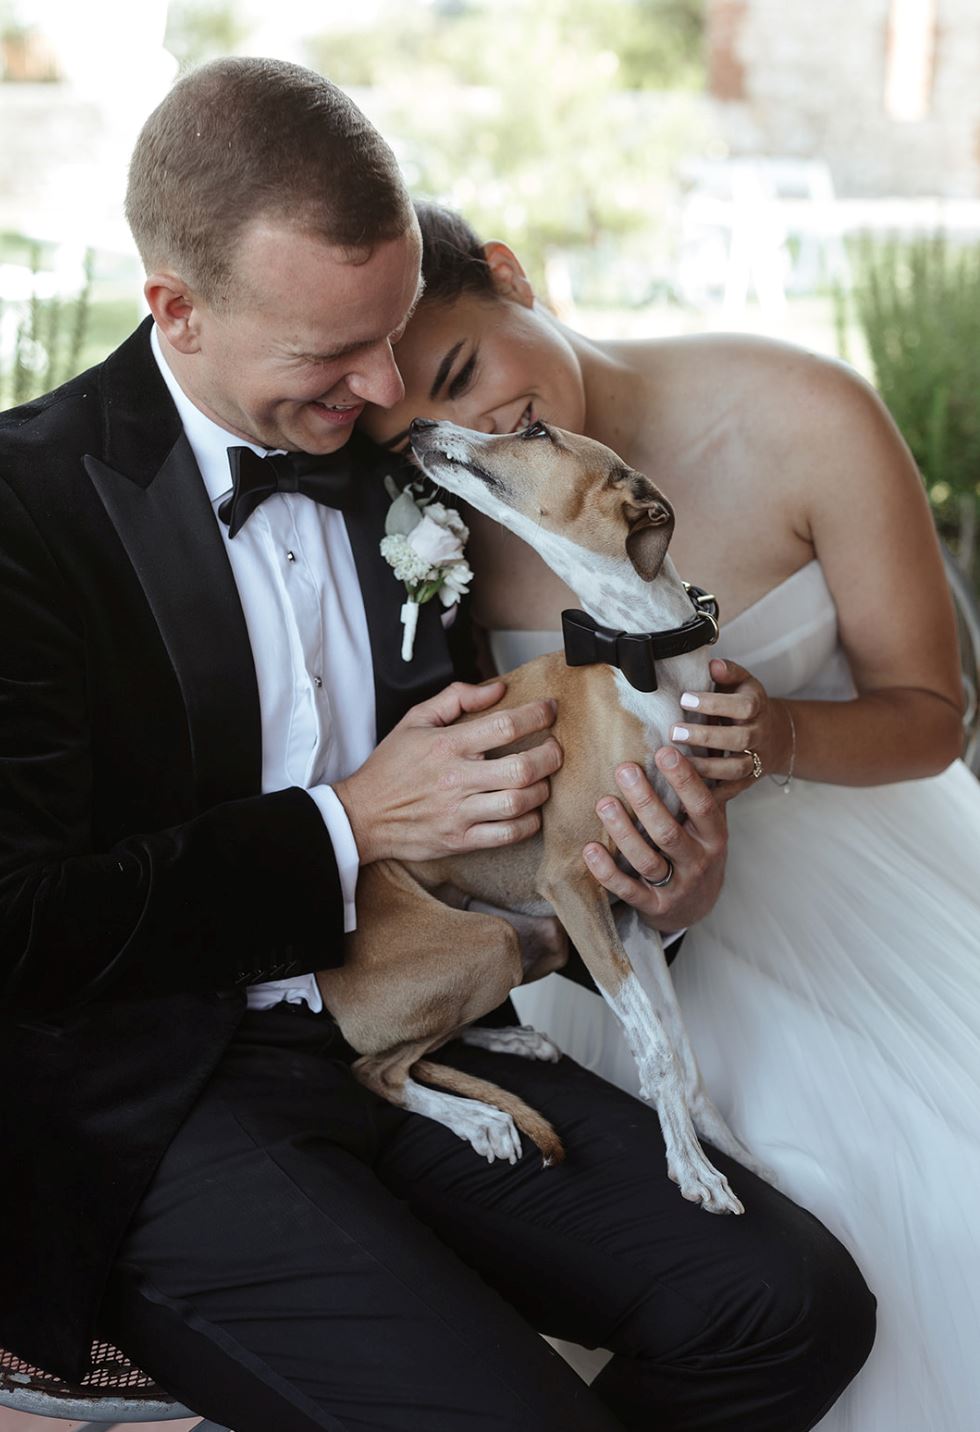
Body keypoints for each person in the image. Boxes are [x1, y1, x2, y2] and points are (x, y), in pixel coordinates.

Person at [0, 60, 876, 1432]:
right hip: (163, 1103)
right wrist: (349, 822)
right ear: (174, 307)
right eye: (329, 355)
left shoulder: (408, 462)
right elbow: (20, 924)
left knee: (787, 1305)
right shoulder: (26, 509)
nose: (391, 390)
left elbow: (578, 754)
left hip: (433, 1018)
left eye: (395, 332)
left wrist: (670, 878)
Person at [360, 200, 980, 1430]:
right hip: (594, 923)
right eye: (418, 429)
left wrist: (777, 738)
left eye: (463, 369)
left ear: (508, 270)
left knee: (918, 1185)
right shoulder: (444, 533)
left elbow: (932, 714)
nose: (470, 428)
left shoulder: (803, 412)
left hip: (848, 858)